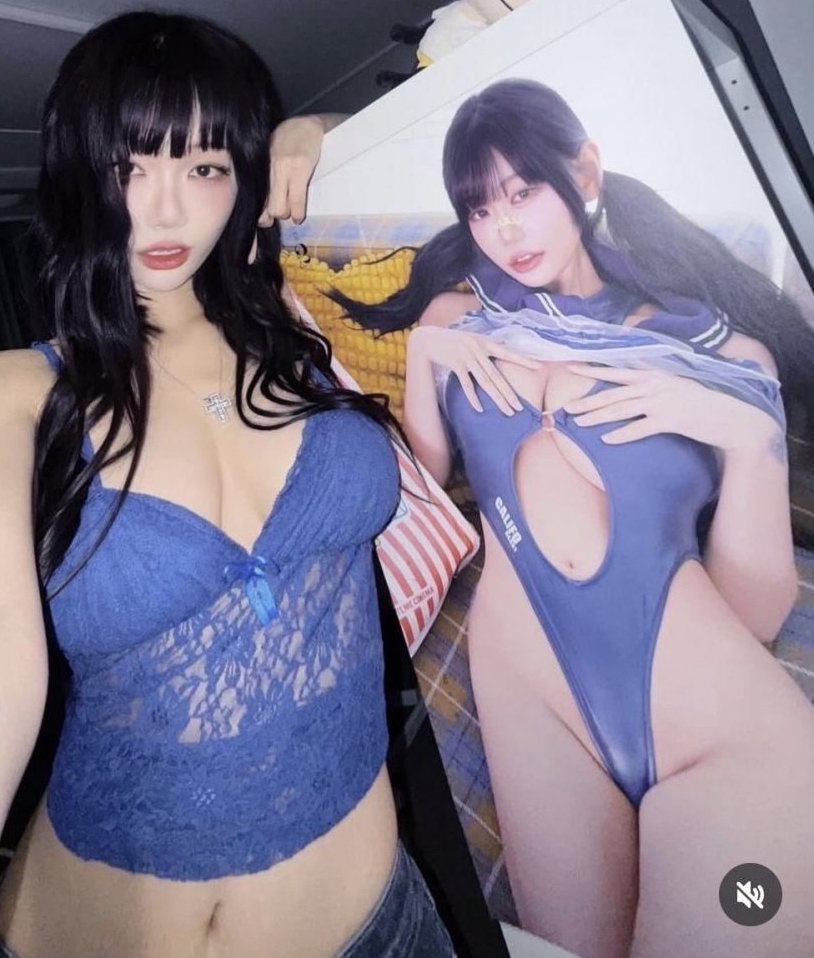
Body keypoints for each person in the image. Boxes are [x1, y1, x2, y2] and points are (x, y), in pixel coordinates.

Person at [0, 11, 455, 958]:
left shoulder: (303, 319)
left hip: (381, 926)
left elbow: (453, 160)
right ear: (79, 177)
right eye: (127, 167)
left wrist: (324, 135)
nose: (164, 213)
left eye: (205, 166)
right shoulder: (11, 393)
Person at [331, 78, 814, 958]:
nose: (504, 229)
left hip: (709, 716)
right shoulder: (457, 320)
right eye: (481, 209)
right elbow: (423, 493)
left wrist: (751, 441)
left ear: (584, 172)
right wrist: (428, 352)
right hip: (536, 705)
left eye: (524, 192)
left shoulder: (716, 350)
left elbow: (753, 612)